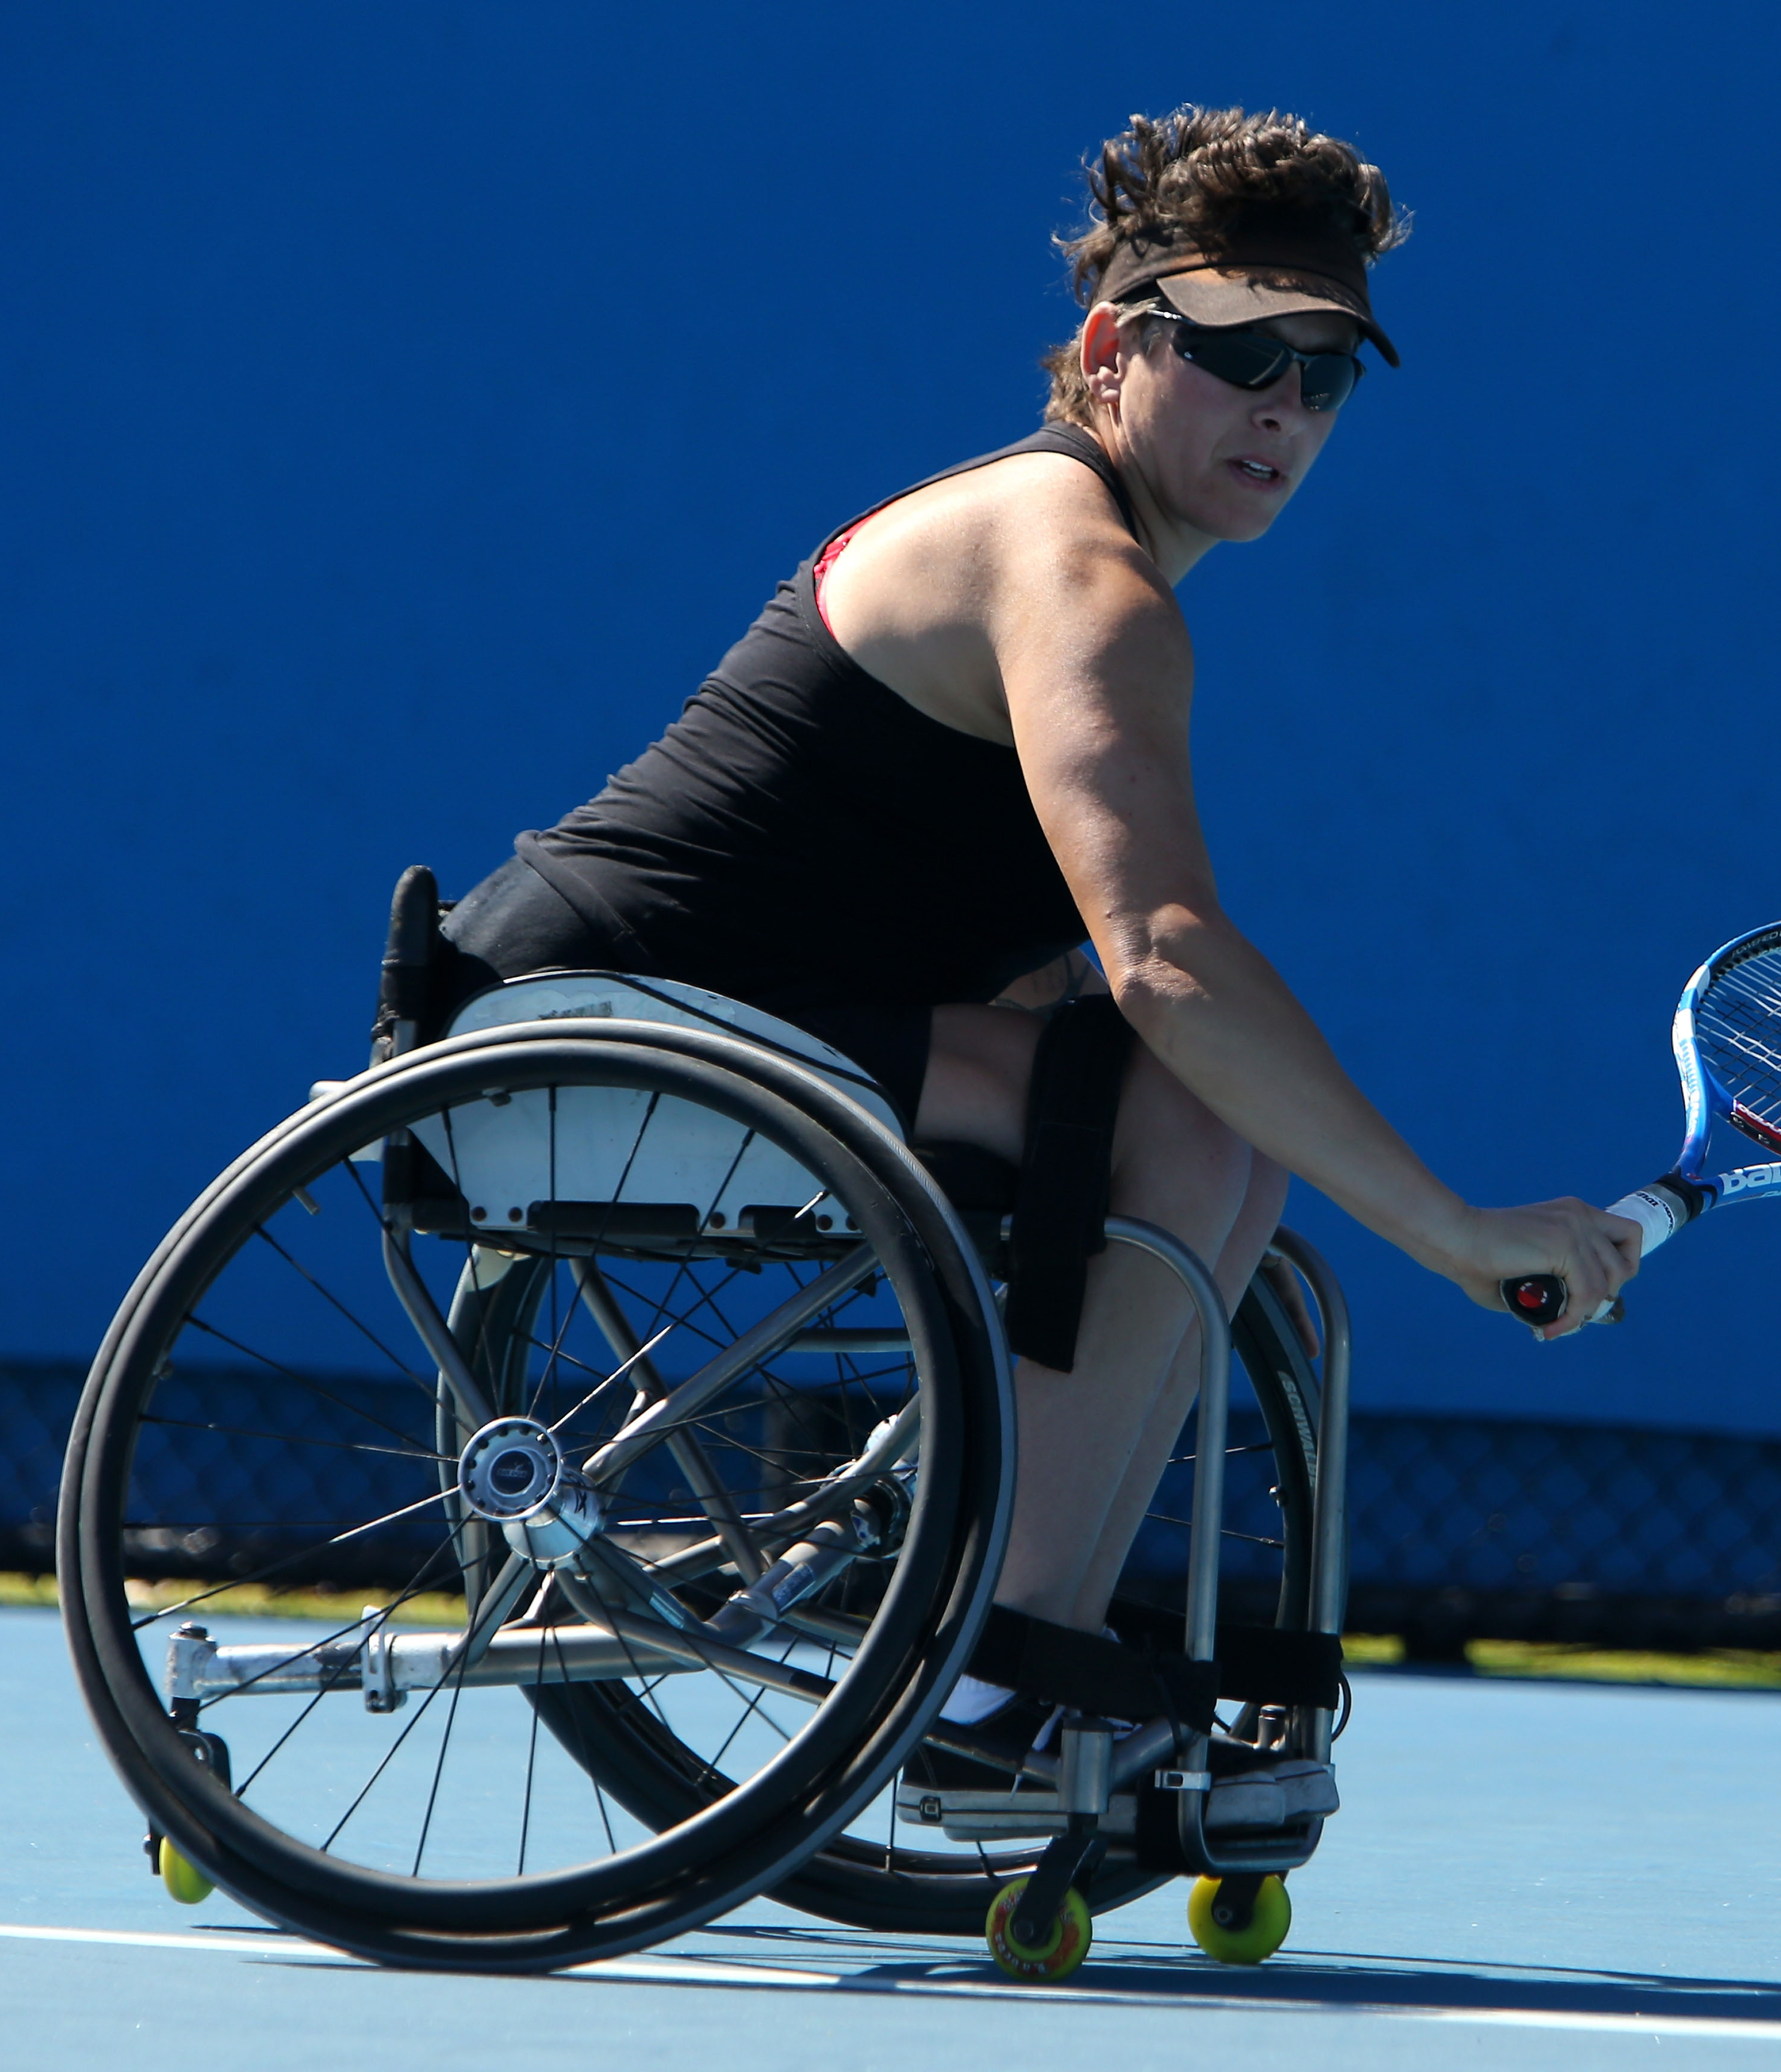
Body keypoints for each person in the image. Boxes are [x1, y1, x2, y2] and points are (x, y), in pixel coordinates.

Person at [438, 108, 1640, 1682]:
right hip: (588, 1023)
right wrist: (1455, 1233)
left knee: (1197, 1126)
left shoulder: (1071, 550)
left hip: (710, 1014)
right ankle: (1006, 1655)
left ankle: (1021, 1617)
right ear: (1111, 351)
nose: (1284, 406)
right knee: (1189, 1117)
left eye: (1325, 373)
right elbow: (1167, 960)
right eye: (1239, 354)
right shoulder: (1079, 572)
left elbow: (1023, 958)